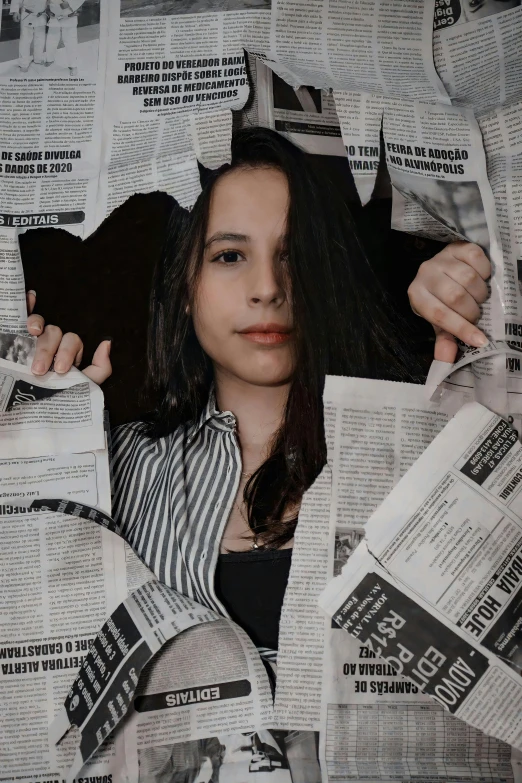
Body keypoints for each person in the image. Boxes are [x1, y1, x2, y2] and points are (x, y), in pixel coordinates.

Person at [26, 127, 491, 662]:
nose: (268, 287)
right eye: (229, 256)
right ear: (183, 289)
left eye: (293, 254)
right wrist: (32, 424)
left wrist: (479, 288)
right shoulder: (118, 463)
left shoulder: (417, 433)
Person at [45, 0, 86, 77]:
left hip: (69, 13)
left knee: (70, 41)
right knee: (51, 39)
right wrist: (47, 7)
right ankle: (49, 59)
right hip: (54, 14)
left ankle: (73, 65)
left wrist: (70, 3)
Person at [9, 0, 48, 72]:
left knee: (40, 38)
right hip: (28, 14)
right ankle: (23, 63)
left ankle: (38, 58)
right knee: (25, 39)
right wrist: (15, 11)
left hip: (41, 14)